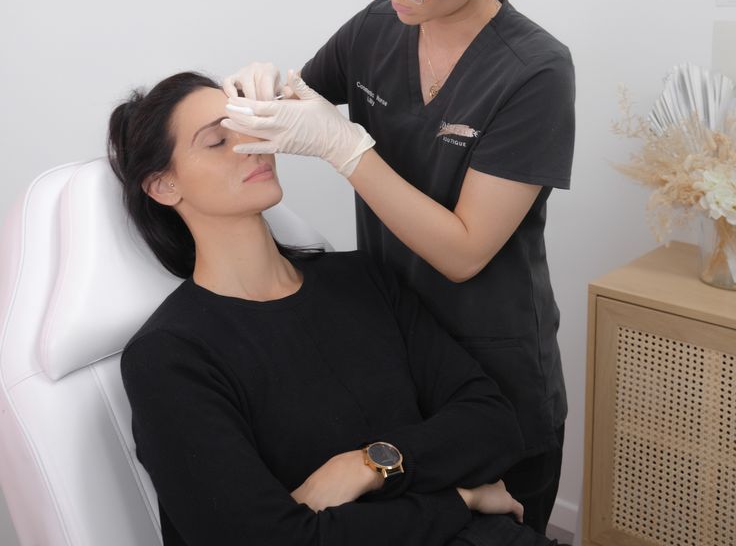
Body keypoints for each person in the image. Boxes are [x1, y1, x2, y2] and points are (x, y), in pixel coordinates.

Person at [223, 0, 575, 535]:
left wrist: (344, 148)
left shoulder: (535, 70)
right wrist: (259, 95)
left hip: (494, 360)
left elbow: (466, 251)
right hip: (393, 353)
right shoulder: (377, 27)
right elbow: (304, 103)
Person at [110, 71, 561, 546]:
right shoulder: (168, 358)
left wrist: (367, 465)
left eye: (250, 126)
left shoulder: (360, 279)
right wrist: (460, 500)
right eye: (218, 141)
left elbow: (492, 423)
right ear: (163, 186)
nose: (251, 145)